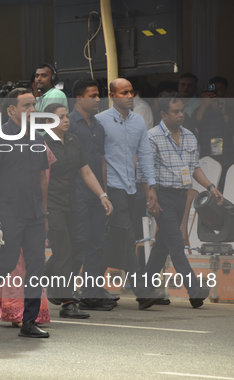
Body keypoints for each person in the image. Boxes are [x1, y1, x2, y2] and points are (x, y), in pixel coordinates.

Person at [0, 88, 50, 338]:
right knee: (7, 262)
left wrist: (44, 213)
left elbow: (42, 179)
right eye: (26, 106)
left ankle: (29, 322)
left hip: (35, 213)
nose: (32, 110)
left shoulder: (37, 137)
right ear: (12, 110)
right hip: (9, 212)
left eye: (33, 105)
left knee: (37, 266)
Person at [138, 93, 219, 309]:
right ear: (164, 114)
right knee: (176, 243)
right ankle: (194, 290)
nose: (181, 114)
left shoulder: (189, 136)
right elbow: (143, 172)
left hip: (182, 197)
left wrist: (211, 187)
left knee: (163, 245)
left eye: (182, 110)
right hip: (161, 195)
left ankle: (144, 290)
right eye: (175, 111)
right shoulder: (152, 136)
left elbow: (195, 168)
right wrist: (150, 196)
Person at [95, 78, 165, 309]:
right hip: (111, 188)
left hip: (132, 188)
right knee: (124, 233)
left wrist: (151, 188)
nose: (129, 96)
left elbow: (145, 155)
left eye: (131, 92)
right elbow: (97, 159)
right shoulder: (100, 121)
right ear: (112, 95)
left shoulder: (137, 122)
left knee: (119, 237)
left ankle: (88, 284)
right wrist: (101, 192)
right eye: (123, 92)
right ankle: (142, 291)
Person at [42, 103, 113, 318]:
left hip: (72, 202)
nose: (66, 120)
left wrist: (102, 195)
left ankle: (52, 281)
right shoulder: (41, 143)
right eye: (61, 117)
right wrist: (42, 211)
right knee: (63, 249)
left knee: (76, 246)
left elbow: (87, 172)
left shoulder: (73, 141)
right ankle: (67, 302)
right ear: (48, 122)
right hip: (51, 204)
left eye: (66, 116)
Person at [68, 79, 116, 310]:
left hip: (96, 195)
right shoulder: (68, 124)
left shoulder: (97, 126)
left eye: (99, 95)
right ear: (79, 98)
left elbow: (101, 162)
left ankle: (90, 291)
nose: (98, 99)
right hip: (76, 192)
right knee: (80, 240)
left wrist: (104, 193)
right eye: (93, 95)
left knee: (97, 242)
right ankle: (59, 285)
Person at [194, 77, 231, 191]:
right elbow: (195, 123)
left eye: (220, 89)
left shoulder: (229, 108)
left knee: (225, 184)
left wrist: (224, 111)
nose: (216, 92)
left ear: (225, 91)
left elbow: (231, 127)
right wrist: (204, 106)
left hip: (226, 154)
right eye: (214, 88)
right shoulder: (201, 108)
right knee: (207, 184)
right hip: (207, 152)